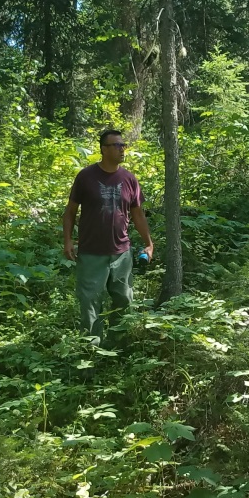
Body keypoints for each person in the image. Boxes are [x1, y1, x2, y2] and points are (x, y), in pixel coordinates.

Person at [62, 128, 154, 342]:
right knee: (90, 304)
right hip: (91, 253)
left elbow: (138, 215)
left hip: (121, 253)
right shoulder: (86, 177)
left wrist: (149, 243)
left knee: (124, 301)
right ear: (104, 149)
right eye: (117, 145)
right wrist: (67, 241)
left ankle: (116, 349)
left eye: (124, 145)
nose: (122, 149)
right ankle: (91, 353)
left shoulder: (129, 179)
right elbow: (70, 213)